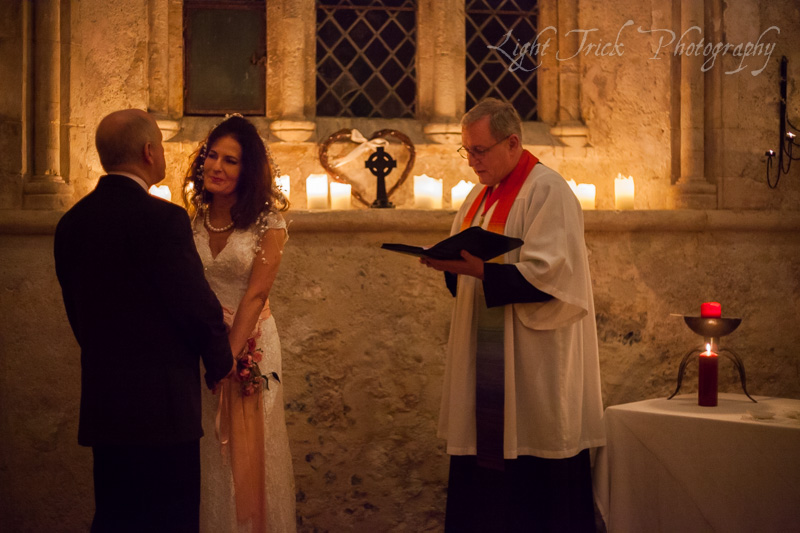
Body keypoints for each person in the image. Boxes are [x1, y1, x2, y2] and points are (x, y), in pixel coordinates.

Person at [420, 98, 605, 532]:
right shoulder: (478, 197)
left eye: (479, 151)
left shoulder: (548, 191)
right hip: (488, 356)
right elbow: (467, 269)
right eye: (465, 151)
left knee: (535, 482)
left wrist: (481, 270)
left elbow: (552, 275)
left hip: (532, 365)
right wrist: (450, 267)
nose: (470, 162)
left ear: (513, 142)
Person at [54, 109, 234, 533]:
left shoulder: (71, 223)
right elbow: (194, 304)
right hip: (163, 411)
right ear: (149, 151)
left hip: (105, 406)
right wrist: (221, 361)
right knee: (169, 519)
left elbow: (78, 317)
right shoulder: (163, 219)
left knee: (116, 517)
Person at [183, 114, 296, 533]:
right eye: (212, 155)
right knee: (210, 449)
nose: (217, 166)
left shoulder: (269, 224)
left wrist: (227, 356)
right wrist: (207, 352)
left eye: (230, 160)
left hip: (250, 344)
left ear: (248, 170)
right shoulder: (192, 219)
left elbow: (255, 294)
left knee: (249, 449)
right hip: (200, 345)